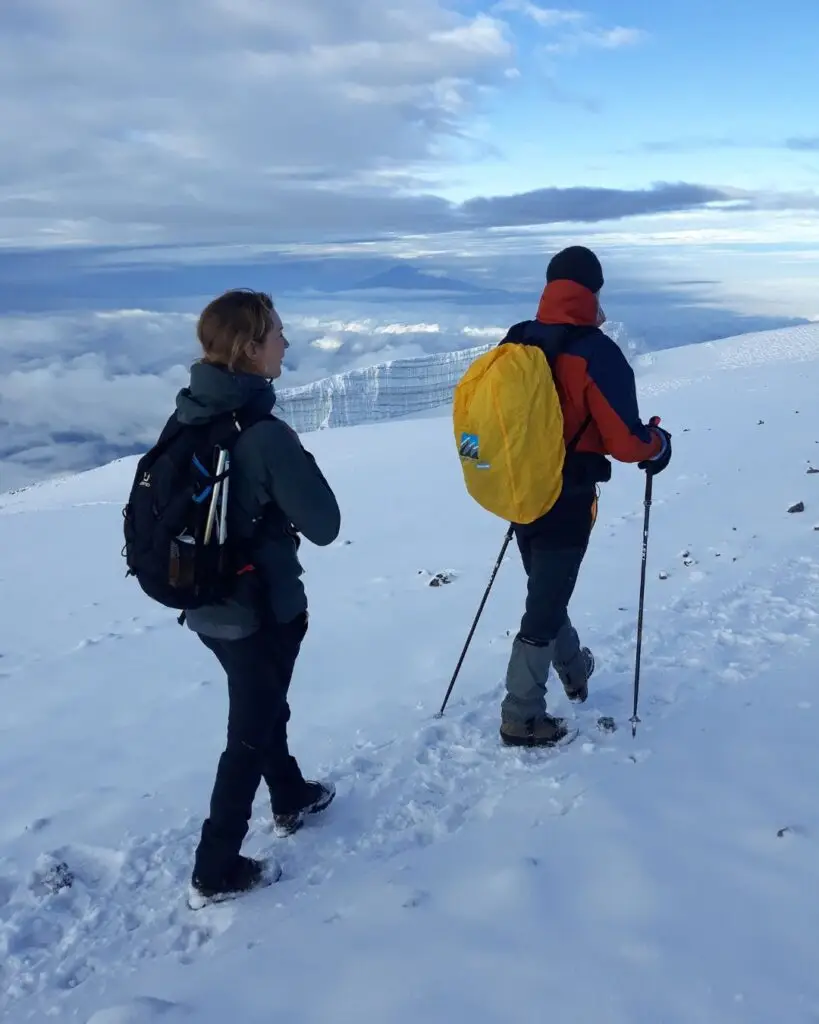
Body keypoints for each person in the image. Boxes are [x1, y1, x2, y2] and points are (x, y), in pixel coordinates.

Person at [176, 288, 341, 905]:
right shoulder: (264, 435)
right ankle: (215, 868)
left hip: (202, 600)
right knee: (249, 728)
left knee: (264, 703)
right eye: (276, 332)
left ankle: (292, 794)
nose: (286, 342)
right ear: (250, 349)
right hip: (260, 607)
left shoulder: (191, 412)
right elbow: (324, 524)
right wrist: (300, 464)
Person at [499, 246, 671, 748]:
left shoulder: (518, 339)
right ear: (593, 290)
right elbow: (625, 442)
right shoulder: (596, 353)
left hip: (516, 489)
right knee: (544, 603)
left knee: (545, 589)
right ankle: (521, 715)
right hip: (568, 496)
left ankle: (574, 669)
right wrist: (657, 445)